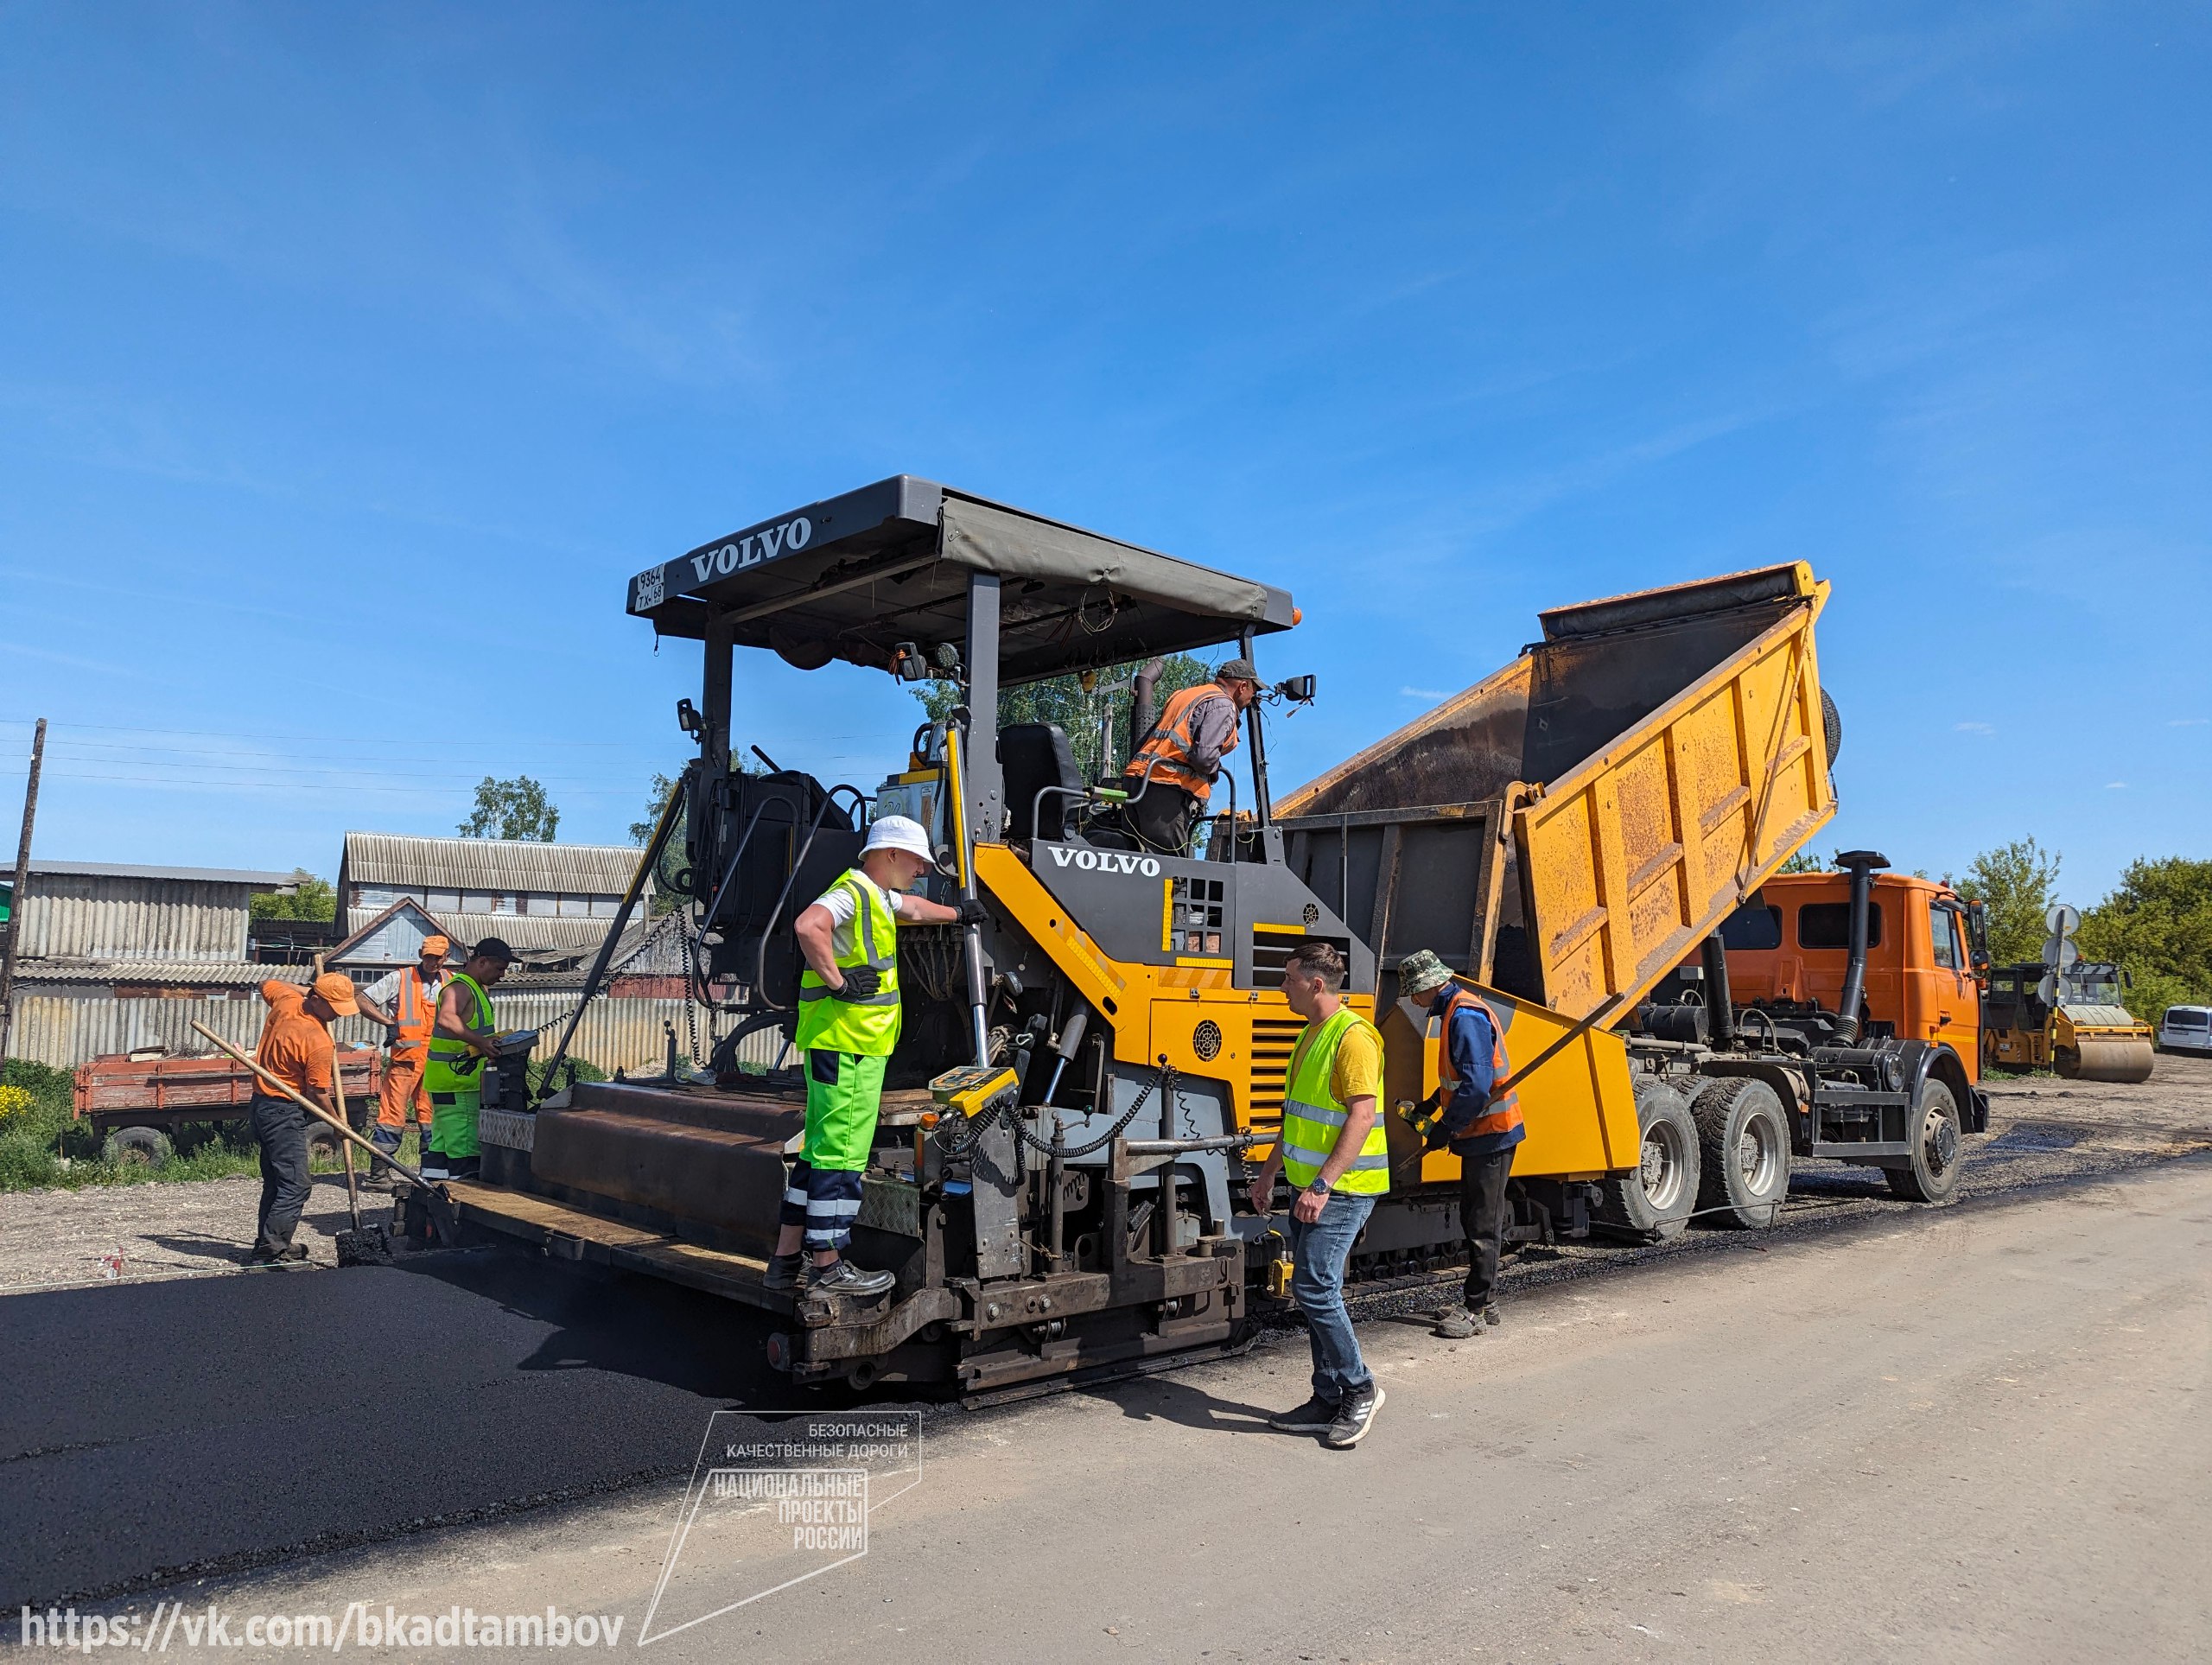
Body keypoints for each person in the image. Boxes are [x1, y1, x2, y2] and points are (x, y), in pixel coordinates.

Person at [767, 815, 985, 1295]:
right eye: (915, 860)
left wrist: (960, 913)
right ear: (889, 854)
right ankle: (826, 1266)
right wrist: (840, 983)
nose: (922, 869)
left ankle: (785, 1261)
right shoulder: (852, 893)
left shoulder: (875, 895)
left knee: (818, 1152)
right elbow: (810, 925)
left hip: (847, 1044)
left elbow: (910, 908)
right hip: (848, 1045)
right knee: (841, 1156)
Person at [1250, 941, 1389, 1448]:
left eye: (1287, 979)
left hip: (1343, 1188)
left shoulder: (1353, 1038)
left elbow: (1360, 1116)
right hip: (1312, 1186)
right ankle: (1326, 1397)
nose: (1281, 987)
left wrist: (1323, 1183)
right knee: (1314, 1292)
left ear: (1315, 984)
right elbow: (1296, 1119)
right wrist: (1269, 1175)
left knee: (1314, 1288)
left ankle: (1360, 1388)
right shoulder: (1312, 1034)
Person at [1397, 949, 1523, 1339]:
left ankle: (1475, 1310)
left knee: (1482, 1224)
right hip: (1483, 1133)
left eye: (1414, 993)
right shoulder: (1458, 1009)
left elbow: (1476, 1087)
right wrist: (1433, 1104)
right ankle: (1486, 1301)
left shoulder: (1464, 1016)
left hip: (1490, 1133)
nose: (1414, 1002)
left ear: (1428, 986)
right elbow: (1462, 1078)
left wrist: (1444, 1130)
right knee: (1478, 1218)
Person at [246, 972, 361, 1262]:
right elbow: (318, 1093)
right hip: (283, 1112)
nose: (338, 1014)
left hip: (261, 1105)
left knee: (277, 1181)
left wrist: (308, 990)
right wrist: (338, 1124)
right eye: (333, 1007)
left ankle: (268, 1241)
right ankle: (273, 1248)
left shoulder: (286, 1001)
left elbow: (266, 983)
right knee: (296, 1184)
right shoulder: (318, 1041)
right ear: (316, 998)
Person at [1120, 659, 1262, 855]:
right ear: (1243, 686)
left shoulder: (1185, 695)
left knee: (1138, 863)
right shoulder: (1223, 705)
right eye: (1253, 691)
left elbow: (1143, 743)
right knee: (1173, 870)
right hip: (1167, 789)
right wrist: (1213, 773)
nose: (1252, 697)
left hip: (1136, 782)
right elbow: (1204, 757)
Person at [351, 933, 450, 1184]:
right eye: (428, 956)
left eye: (438, 958)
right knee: (391, 1116)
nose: (432, 962)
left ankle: (431, 1174)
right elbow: (362, 1000)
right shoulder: (401, 978)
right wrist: (389, 1022)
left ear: (446, 958)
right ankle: (378, 1176)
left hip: (436, 1064)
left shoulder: (451, 982)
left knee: (432, 1119)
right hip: (405, 1062)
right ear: (420, 954)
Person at [422, 937, 514, 1182]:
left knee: (441, 1147)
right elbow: (446, 1019)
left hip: (446, 1083)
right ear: (482, 962)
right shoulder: (459, 988)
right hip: (459, 1085)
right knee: (465, 1149)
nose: (502, 975)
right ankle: (461, 1203)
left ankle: (430, 1199)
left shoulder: (474, 988)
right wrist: (482, 1042)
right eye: (499, 968)